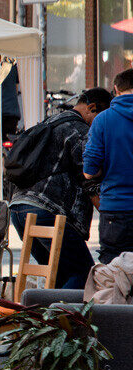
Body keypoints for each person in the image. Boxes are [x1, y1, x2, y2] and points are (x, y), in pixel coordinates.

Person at [11, 88, 111, 287]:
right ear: (92, 108)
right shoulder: (79, 130)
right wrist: (110, 215)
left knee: (58, 276)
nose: (102, 126)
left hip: (19, 208)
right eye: (101, 118)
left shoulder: (50, 122)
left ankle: (46, 315)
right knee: (82, 274)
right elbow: (89, 180)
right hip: (48, 210)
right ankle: (54, 317)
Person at [83, 68, 133, 263]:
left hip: (116, 208)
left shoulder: (103, 120)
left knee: (113, 274)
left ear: (116, 89)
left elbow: (89, 171)